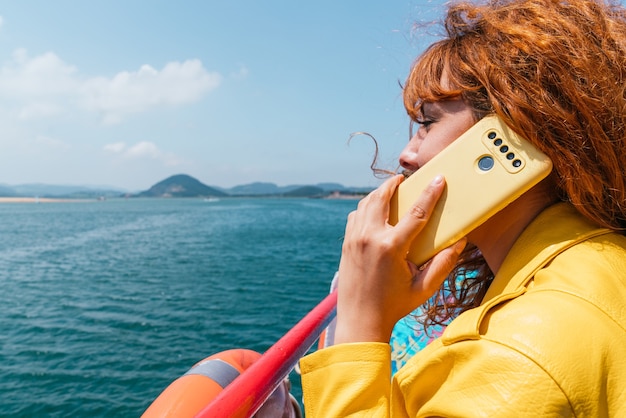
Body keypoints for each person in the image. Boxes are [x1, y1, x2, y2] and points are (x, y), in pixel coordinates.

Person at [299, 0, 626, 415]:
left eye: (427, 122)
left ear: (514, 133)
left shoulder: (517, 353)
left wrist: (360, 323)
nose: (405, 154)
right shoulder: (600, 258)